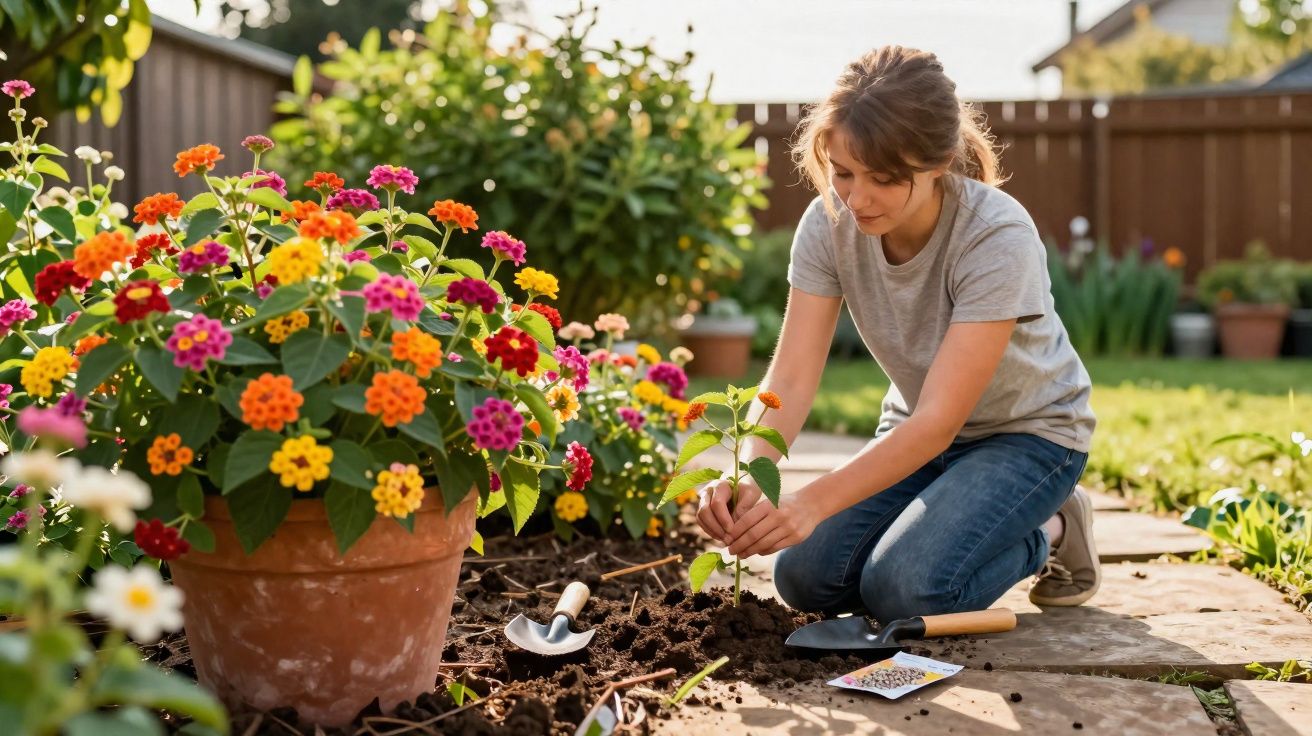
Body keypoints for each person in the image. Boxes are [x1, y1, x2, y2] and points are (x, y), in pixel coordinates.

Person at [695, 45, 1099, 622]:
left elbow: (941, 420)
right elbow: (790, 376)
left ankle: (1052, 527)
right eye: (842, 173)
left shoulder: (995, 235)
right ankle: (958, 518)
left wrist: (813, 500)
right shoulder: (829, 224)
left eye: (884, 179)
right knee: (805, 576)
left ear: (936, 163)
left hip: (1029, 437)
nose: (856, 198)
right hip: (916, 431)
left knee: (906, 591)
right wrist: (748, 468)